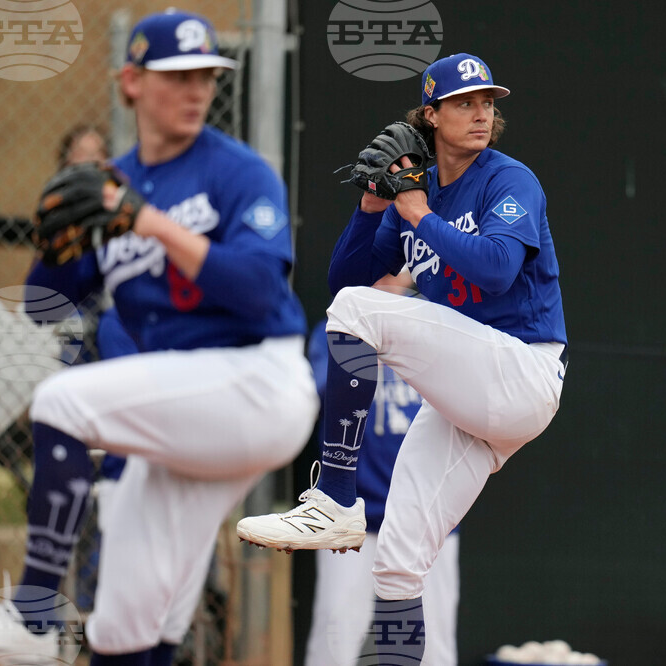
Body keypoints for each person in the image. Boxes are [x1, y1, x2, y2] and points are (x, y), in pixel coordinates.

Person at [0, 9, 318, 666]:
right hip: (188, 418)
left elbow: (260, 292)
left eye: (206, 76)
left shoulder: (238, 172)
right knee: (127, 631)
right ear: (131, 81)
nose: (196, 91)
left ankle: (33, 619)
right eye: (177, 76)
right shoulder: (113, 185)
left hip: (257, 382)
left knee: (60, 404)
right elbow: (48, 307)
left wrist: (151, 223)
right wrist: (53, 247)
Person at [237, 53, 568, 663]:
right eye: (464, 102)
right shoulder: (415, 192)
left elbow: (497, 271)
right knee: (396, 562)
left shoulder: (507, 178)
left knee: (362, 315)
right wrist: (371, 206)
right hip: (470, 396)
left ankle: (334, 498)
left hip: (521, 369)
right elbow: (349, 282)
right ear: (431, 115)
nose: (480, 113)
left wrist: (416, 212)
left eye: (487, 102)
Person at [305, 274, 461, 666]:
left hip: (428, 519)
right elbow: (324, 390)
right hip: (352, 519)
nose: (388, 269)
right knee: (334, 635)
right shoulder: (342, 319)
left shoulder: (439, 319)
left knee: (432, 644)